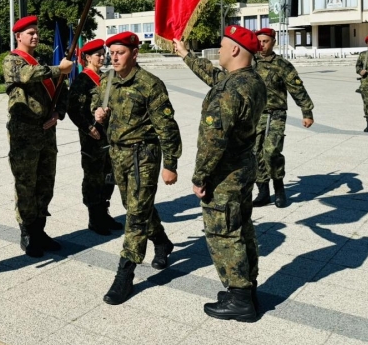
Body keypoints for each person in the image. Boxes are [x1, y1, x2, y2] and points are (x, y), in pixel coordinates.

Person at [172, 26, 266, 322]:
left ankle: (239, 299)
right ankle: (247, 289)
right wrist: (187, 55)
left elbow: (214, 140)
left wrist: (200, 177)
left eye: (223, 45)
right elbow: (214, 77)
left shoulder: (230, 90)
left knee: (224, 233)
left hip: (224, 174)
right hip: (243, 168)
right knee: (242, 227)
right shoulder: (251, 81)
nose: (220, 50)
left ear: (235, 49)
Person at [94, 32, 181, 305]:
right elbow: (97, 103)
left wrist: (171, 164)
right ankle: (163, 242)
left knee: (135, 214)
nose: (114, 57)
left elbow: (167, 127)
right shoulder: (107, 80)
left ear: (134, 54)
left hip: (144, 155)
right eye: (112, 52)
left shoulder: (150, 85)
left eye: (120, 52)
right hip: (118, 155)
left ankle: (125, 274)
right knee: (134, 206)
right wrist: (97, 111)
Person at [2, 16, 73, 257]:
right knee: (26, 184)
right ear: (18, 37)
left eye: (36, 32)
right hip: (24, 134)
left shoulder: (43, 64)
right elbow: (27, 75)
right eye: (29, 32)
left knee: (45, 183)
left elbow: (63, 89)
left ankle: (40, 230)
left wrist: (58, 112)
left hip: (46, 133)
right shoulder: (12, 61)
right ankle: (27, 233)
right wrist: (58, 69)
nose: (34, 36)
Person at [249, 28, 314, 209]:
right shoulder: (249, 61)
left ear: (273, 42)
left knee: (271, 152)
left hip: (275, 114)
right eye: (259, 41)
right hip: (254, 115)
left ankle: (279, 189)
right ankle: (263, 192)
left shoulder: (282, 65)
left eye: (266, 41)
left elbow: (297, 88)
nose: (262, 45)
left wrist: (307, 112)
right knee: (254, 153)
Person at [66, 38, 122, 235]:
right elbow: (73, 109)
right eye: (97, 54)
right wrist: (88, 127)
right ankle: (94, 217)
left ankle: (104, 211)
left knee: (108, 175)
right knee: (93, 177)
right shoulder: (82, 80)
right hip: (93, 137)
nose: (102, 57)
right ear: (87, 58)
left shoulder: (106, 78)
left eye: (102, 53)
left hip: (109, 136)